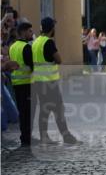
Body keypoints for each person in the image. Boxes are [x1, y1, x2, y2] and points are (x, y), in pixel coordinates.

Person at [32, 17, 80, 146]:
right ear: (52, 29)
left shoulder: (36, 42)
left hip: (38, 82)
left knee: (44, 110)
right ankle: (66, 137)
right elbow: (59, 59)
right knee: (59, 110)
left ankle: (44, 136)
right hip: (49, 83)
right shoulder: (49, 42)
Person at [8, 20, 34, 148]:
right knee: (28, 112)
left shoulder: (12, 46)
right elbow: (32, 65)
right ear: (23, 32)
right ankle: (27, 138)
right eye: (30, 31)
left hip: (16, 84)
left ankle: (24, 136)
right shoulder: (27, 47)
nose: (32, 33)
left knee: (22, 112)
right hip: (27, 83)